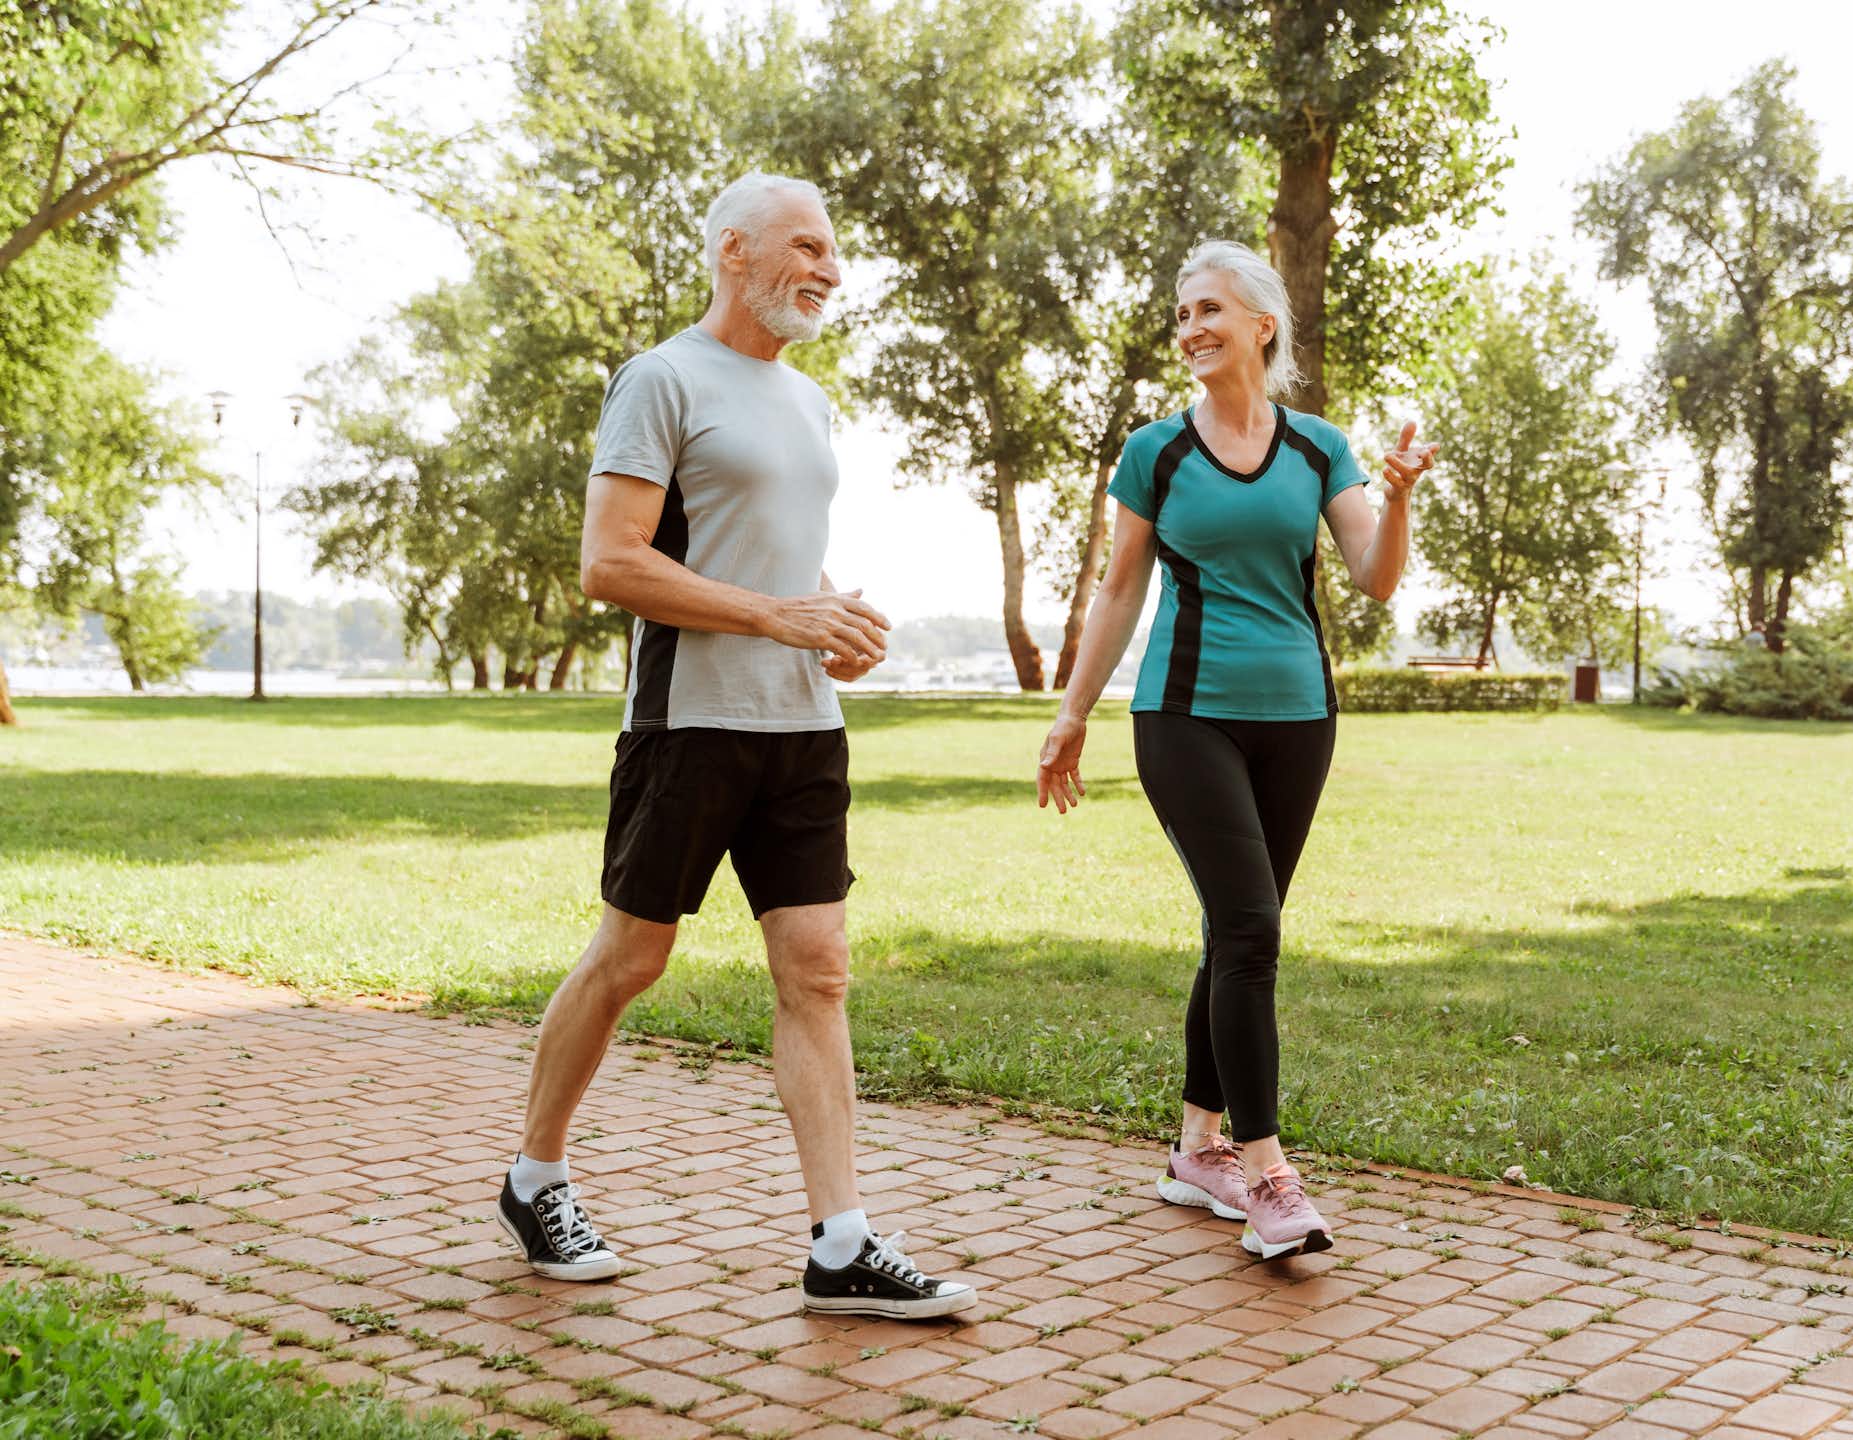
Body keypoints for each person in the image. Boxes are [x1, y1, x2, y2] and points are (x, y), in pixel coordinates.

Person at [496, 172, 972, 1320]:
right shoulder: (660, 380)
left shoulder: (809, 402)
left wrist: (829, 618)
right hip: (689, 726)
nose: (829, 269)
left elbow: (772, 556)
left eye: (832, 252)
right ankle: (534, 1179)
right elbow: (610, 562)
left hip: (802, 728)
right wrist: (775, 616)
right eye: (806, 246)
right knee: (631, 959)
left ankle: (840, 1243)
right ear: (732, 251)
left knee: (818, 968)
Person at [1034, 239, 1438, 1260]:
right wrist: (1072, 713)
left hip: (1299, 716)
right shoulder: (1156, 452)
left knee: (1235, 935)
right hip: (1185, 715)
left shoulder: (1319, 448)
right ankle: (1266, 1176)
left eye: (1208, 309)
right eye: (1181, 314)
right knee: (1252, 929)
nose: (1191, 328)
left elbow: (1375, 577)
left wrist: (1397, 498)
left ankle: (1194, 1150)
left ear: (1262, 324)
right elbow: (1119, 589)